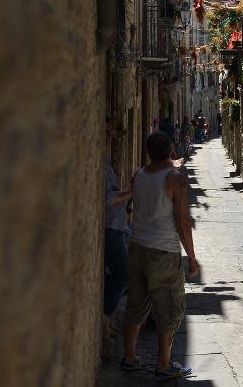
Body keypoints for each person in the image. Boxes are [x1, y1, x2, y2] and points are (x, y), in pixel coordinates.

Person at [121, 132, 199, 380]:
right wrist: (192, 258)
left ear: (147, 151)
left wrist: (172, 164)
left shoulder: (139, 175)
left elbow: (154, 177)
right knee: (168, 308)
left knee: (136, 304)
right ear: (172, 149)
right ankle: (164, 364)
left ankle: (130, 357)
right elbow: (182, 221)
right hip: (163, 252)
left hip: (137, 248)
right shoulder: (175, 179)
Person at [104, 118, 132, 352]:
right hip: (111, 228)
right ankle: (105, 313)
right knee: (124, 273)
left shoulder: (104, 161)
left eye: (113, 132)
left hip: (120, 226)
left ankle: (110, 317)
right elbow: (108, 199)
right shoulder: (100, 164)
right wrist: (132, 192)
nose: (111, 136)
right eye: (108, 132)